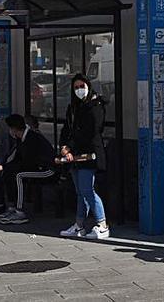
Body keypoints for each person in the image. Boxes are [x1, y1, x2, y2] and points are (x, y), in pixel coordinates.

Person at [57, 75, 109, 240]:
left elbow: (92, 130)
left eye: (82, 86)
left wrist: (70, 147)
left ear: (88, 86)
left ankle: (102, 224)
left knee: (88, 190)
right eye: (76, 87)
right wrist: (64, 147)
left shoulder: (96, 105)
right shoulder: (73, 107)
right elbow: (67, 129)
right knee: (80, 192)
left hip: (89, 154)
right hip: (74, 156)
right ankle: (79, 225)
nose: (80, 89)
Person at [0, 113, 55, 225]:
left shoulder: (32, 137)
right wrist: (4, 168)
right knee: (9, 173)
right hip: (35, 167)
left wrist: (4, 167)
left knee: (18, 175)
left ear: (14, 129)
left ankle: (20, 212)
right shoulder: (21, 139)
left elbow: (28, 162)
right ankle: (12, 207)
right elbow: (18, 159)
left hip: (47, 169)